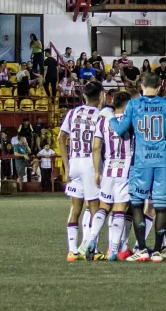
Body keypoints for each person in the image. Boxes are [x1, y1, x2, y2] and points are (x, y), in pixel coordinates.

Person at [99, 73, 166, 262]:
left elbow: (120, 131)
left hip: (141, 162)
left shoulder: (134, 105)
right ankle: (158, 251)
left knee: (137, 204)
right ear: (161, 87)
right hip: (160, 161)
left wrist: (110, 117)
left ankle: (142, 249)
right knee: (161, 205)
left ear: (141, 86)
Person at [58, 82, 105, 262]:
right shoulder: (101, 115)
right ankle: (92, 249)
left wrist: (66, 165)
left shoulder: (72, 113)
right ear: (100, 96)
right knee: (95, 208)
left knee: (75, 208)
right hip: (90, 163)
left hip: (74, 162)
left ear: (84, 96)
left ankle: (72, 251)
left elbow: (61, 138)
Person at [86, 91, 133, 261]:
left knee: (103, 207)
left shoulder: (103, 121)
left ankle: (91, 239)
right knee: (119, 210)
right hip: (125, 170)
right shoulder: (131, 121)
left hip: (108, 169)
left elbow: (96, 148)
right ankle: (113, 249)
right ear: (127, 104)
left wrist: (97, 171)